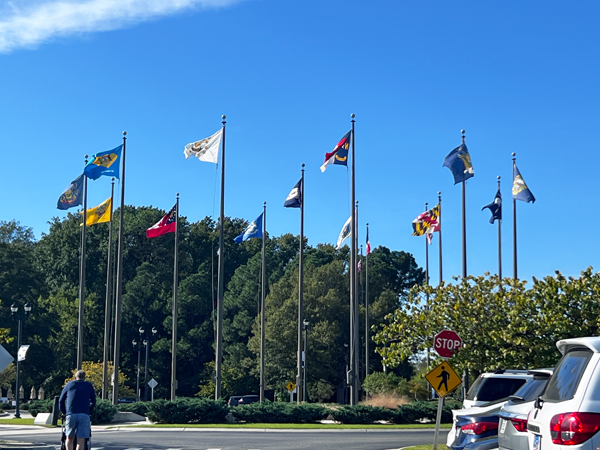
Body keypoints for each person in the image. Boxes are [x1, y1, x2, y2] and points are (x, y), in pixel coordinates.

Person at [59, 370, 96, 450]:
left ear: (75, 377)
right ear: (84, 378)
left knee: (69, 437)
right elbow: (93, 400)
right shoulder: (88, 385)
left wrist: (64, 411)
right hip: (84, 414)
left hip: (71, 414)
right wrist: (88, 410)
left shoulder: (69, 384)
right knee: (81, 440)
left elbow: (61, 400)